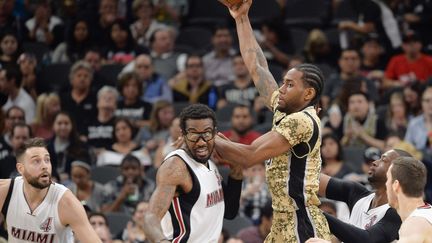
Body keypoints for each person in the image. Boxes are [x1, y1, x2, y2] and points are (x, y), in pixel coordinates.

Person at [215, 1, 331, 241]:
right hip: (281, 218)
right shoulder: (285, 106)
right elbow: (257, 67)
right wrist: (241, 18)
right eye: (284, 82)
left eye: (290, 84)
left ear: (308, 94)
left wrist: (204, 136)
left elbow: (247, 156)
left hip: (301, 221)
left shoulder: (303, 120)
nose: (282, 88)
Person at [142, 104, 243, 242]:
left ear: (214, 133)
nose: (201, 142)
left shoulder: (210, 164)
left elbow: (230, 212)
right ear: (183, 134)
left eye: (206, 133)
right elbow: (150, 218)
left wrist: (236, 167)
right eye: (194, 134)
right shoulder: (175, 167)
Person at [0, 137, 101, 242]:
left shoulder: (66, 202)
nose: (44, 166)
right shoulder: (5, 191)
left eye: (47, 160)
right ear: (21, 168)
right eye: (36, 161)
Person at [311, 149, 412, 243]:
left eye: (383, 160)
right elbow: (310, 180)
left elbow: (366, 240)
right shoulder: (356, 192)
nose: (375, 162)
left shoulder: (398, 213)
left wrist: (319, 215)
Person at [386, 156, 432, 242]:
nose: (386, 185)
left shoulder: (415, 224)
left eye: (387, 179)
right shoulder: (425, 214)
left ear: (396, 185)